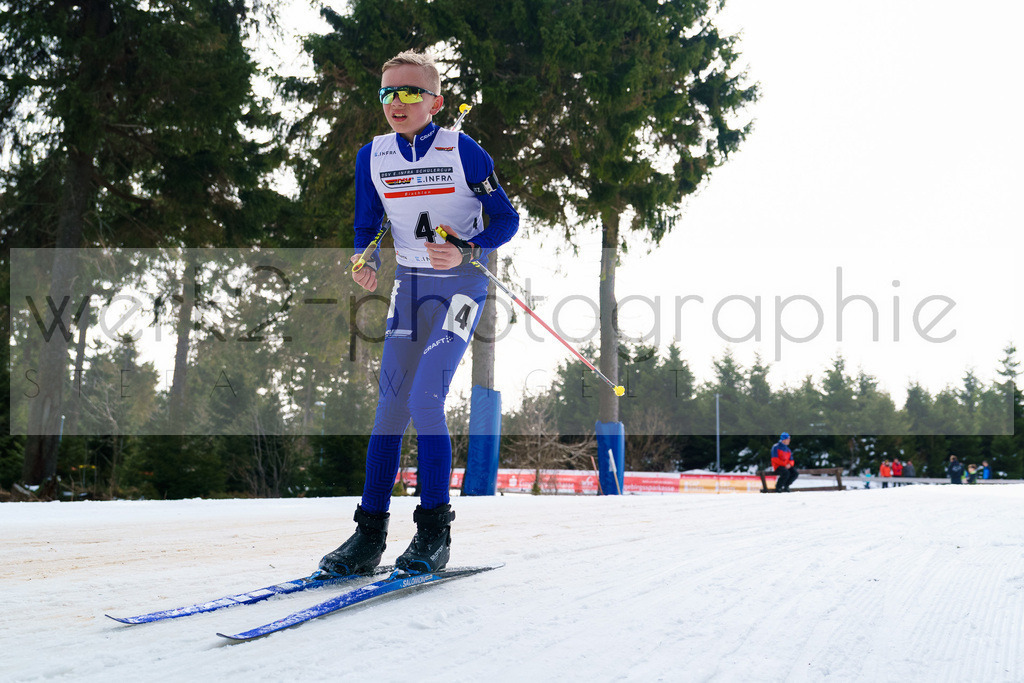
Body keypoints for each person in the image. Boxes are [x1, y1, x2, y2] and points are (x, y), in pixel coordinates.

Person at [319, 50, 519, 576]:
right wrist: (365, 258)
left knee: (426, 397)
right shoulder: (373, 156)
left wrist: (467, 248)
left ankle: (434, 532)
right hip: (409, 289)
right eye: (388, 93)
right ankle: (368, 537)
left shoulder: (463, 149)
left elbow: (506, 219)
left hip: (460, 290)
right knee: (389, 409)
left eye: (410, 92)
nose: (397, 102)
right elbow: (369, 222)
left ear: (436, 101)